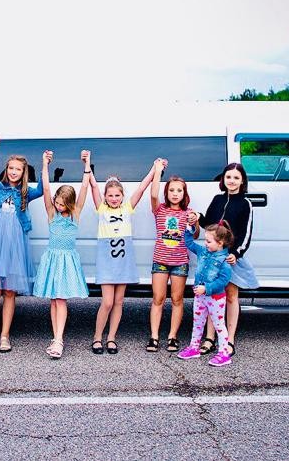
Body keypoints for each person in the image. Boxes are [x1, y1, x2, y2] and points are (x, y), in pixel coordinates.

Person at [85, 151, 157, 355]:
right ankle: (97, 337)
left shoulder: (127, 208)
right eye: (110, 195)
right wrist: (87, 163)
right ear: (105, 197)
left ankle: (111, 338)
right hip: (107, 260)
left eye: (117, 195)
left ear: (122, 196)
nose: (114, 198)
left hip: (124, 260)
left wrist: (155, 169)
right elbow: (93, 186)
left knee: (118, 302)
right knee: (107, 301)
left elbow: (142, 187)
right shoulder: (102, 209)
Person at [0, 136, 43, 353]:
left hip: (14, 248)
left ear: (24, 173)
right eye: (11, 168)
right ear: (6, 169)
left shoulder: (26, 193)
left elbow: (42, 190)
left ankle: (5, 336)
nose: (14, 172)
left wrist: (45, 166)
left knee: (9, 293)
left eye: (18, 169)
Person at [196, 162, 259, 359]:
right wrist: (198, 217)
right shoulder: (217, 199)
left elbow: (246, 234)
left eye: (236, 178)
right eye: (228, 177)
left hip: (230, 257)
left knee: (231, 296)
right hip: (213, 257)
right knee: (212, 295)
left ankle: (229, 339)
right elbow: (209, 224)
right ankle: (209, 338)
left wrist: (236, 253)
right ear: (223, 179)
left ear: (242, 181)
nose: (231, 181)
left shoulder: (245, 204)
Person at [32, 150, 91, 359]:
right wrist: (45, 164)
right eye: (57, 202)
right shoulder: (52, 213)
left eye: (62, 204)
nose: (58, 206)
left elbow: (84, 188)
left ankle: (59, 340)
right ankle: (55, 336)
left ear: (70, 204)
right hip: (53, 259)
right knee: (53, 300)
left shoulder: (75, 214)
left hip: (66, 261)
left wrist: (87, 164)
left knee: (61, 300)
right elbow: (47, 187)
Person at [147, 160, 196, 353]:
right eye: (171, 190)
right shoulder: (160, 210)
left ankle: (172, 336)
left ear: (184, 193)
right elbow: (153, 194)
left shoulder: (188, 213)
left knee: (177, 299)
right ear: (166, 193)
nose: (175, 194)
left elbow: (195, 235)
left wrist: (195, 222)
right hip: (160, 261)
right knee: (158, 298)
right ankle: (154, 337)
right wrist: (158, 171)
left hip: (180, 263)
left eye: (179, 190)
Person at [176, 223, 235, 367]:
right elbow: (189, 243)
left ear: (220, 243)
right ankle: (194, 347)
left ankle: (224, 353)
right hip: (200, 296)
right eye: (205, 240)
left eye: (209, 241)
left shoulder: (224, 261)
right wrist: (189, 229)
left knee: (219, 325)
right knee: (197, 323)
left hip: (215, 298)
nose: (205, 243)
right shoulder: (203, 251)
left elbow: (223, 281)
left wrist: (206, 288)